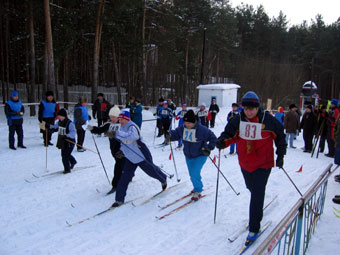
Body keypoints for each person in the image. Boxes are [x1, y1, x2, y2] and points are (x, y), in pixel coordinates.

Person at [216, 91, 286, 244]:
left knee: (257, 194)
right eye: (246, 109)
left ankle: (254, 228)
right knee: (251, 188)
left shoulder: (268, 120)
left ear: (257, 107)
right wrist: (222, 141)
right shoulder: (237, 120)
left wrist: (281, 155)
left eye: (252, 109)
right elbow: (229, 134)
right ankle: (257, 207)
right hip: (245, 163)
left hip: (263, 164)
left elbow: (280, 137)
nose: (249, 112)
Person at [109, 109, 167, 207]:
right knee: (124, 178)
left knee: (151, 171)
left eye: (122, 119)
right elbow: (122, 141)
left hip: (141, 154)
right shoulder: (120, 128)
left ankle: (163, 179)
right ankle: (119, 199)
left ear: (127, 119)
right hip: (130, 157)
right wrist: (120, 150)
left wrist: (117, 134)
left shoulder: (132, 126)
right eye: (119, 119)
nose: (120, 121)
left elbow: (132, 137)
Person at [170, 110, 217, 200]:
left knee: (194, 173)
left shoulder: (202, 130)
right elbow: (175, 134)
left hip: (200, 154)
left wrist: (209, 148)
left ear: (194, 122)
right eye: (185, 122)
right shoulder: (182, 128)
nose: (187, 125)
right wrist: (169, 135)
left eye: (189, 123)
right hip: (188, 155)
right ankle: (196, 186)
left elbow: (213, 138)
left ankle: (198, 190)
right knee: (192, 173)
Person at [88, 106, 124, 195]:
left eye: (114, 117)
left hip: (122, 150)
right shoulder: (108, 124)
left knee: (118, 166)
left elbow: (128, 137)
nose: (112, 118)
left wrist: (123, 149)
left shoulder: (123, 124)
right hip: (113, 149)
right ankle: (128, 174)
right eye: (110, 117)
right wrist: (92, 129)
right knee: (121, 164)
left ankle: (115, 185)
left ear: (118, 116)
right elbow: (100, 129)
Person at [47, 109, 77, 174]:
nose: (58, 117)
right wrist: (48, 126)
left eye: (59, 116)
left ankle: (67, 169)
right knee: (65, 154)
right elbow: (55, 127)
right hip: (63, 142)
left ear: (64, 116)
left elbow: (73, 133)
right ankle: (73, 161)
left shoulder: (70, 123)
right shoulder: (60, 122)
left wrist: (66, 136)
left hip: (70, 142)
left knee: (65, 156)